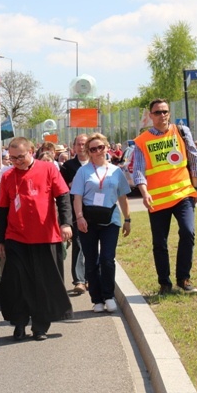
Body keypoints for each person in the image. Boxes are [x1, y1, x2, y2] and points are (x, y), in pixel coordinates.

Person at [0, 137, 73, 341]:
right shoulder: (7, 176)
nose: (17, 161)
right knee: (17, 284)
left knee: (43, 284)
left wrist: (66, 223)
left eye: (20, 156)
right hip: (16, 237)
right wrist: (0, 240)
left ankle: (40, 326)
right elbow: (3, 209)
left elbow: (63, 197)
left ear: (31, 150)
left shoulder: (48, 169)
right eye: (12, 158)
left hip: (45, 236)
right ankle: (20, 323)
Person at [132, 98, 197, 294]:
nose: (162, 115)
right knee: (159, 242)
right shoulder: (142, 141)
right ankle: (165, 283)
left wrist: (194, 188)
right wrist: (144, 193)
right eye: (158, 112)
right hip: (158, 200)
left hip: (183, 195)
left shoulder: (181, 131)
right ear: (150, 116)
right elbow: (138, 171)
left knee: (188, 232)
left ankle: (184, 278)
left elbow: (194, 159)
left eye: (165, 111)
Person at [71, 133, 132, 313]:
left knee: (107, 259)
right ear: (89, 152)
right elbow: (77, 197)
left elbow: (122, 196)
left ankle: (108, 295)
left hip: (110, 219)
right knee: (91, 261)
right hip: (88, 220)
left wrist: (127, 219)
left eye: (100, 147)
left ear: (107, 148)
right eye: (93, 149)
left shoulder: (115, 171)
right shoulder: (83, 171)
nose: (97, 151)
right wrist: (79, 217)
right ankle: (97, 299)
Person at [60, 134, 89, 294]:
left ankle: (90, 277)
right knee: (78, 243)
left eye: (84, 143)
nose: (81, 147)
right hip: (76, 210)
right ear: (74, 147)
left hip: (94, 209)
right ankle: (79, 280)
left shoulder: (95, 163)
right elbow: (62, 189)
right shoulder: (68, 166)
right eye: (78, 144)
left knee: (92, 244)